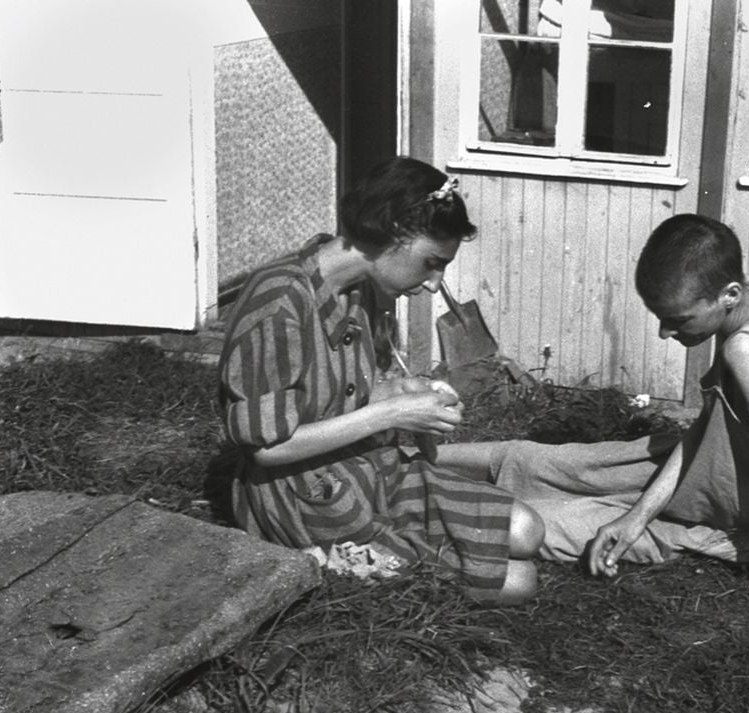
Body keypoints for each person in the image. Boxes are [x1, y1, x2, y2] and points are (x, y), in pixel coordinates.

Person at [441, 215, 749, 670]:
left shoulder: (746, 350)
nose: (666, 334)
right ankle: (395, 457)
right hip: (710, 458)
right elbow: (710, 426)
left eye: (677, 320)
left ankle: (393, 514)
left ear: (728, 295)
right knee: (536, 460)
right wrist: (635, 517)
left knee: (547, 521)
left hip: (741, 516)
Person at [215, 156, 543, 605]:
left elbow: (336, 395)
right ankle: (337, 557)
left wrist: (399, 393)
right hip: (304, 494)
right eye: (431, 263)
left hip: (370, 468)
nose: (433, 284)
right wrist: (390, 412)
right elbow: (267, 448)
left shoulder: (361, 292)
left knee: (527, 529)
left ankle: (414, 546)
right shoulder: (279, 303)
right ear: (392, 231)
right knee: (519, 582)